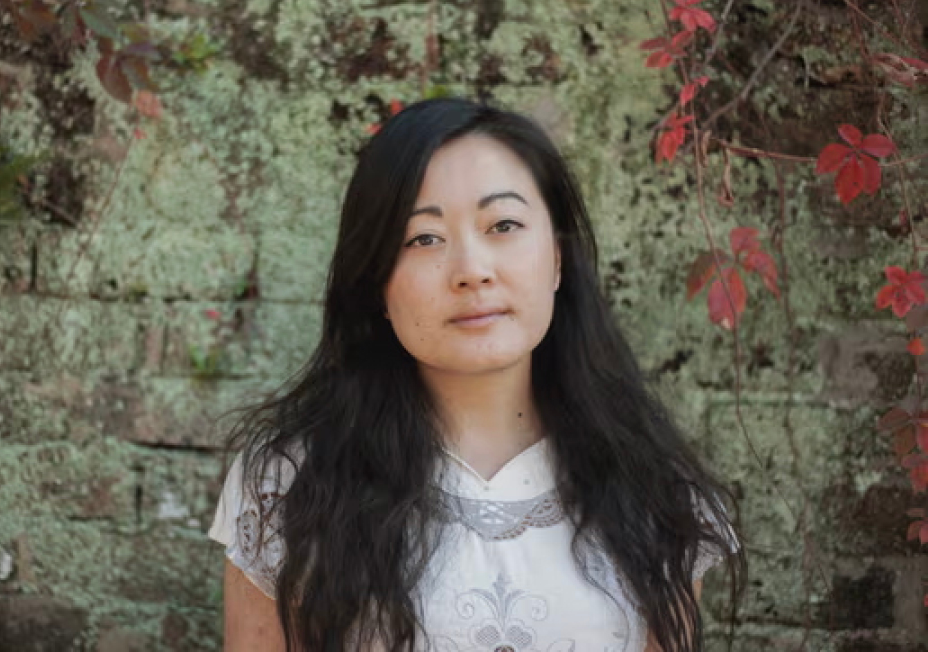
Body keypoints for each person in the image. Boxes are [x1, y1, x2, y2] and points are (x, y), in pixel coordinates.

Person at [207, 97, 744, 652]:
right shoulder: (285, 487)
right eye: (423, 239)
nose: (471, 271)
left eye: (503, 224)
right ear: (376, 286)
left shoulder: (656, 491)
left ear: (557, 259)